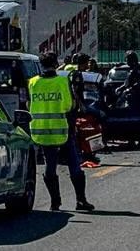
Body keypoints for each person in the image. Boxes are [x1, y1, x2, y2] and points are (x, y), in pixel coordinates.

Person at [29, 52, 94, 211]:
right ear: (55, 64)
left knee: (50, 167)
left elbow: (29, 104)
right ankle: (80, 201)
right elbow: (68, 105)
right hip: (63, 130)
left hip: (42, 132)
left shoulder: (32, 82)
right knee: (74, 164)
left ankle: (55, 203)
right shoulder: (62, 81)